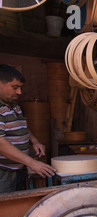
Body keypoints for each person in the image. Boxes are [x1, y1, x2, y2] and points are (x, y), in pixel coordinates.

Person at [0, 64, 56, 193]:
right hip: (3, 173)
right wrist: (32, 163)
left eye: (20, 87)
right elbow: (1, 144)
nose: (19, 92)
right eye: (15, 87)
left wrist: (35, 141)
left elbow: (21, 126)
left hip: (17, 169)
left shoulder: (13, 105)